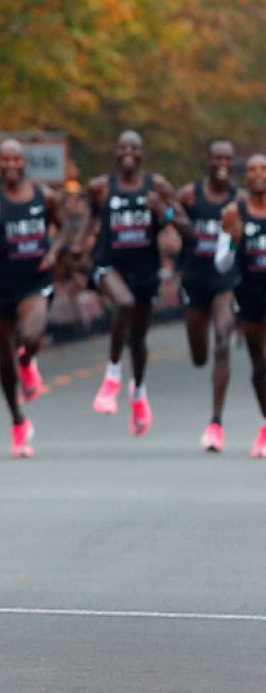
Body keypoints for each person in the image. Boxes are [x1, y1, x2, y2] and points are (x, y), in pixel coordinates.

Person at [0, 140, 66, 457]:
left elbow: (64, 230)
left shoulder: (44, 196)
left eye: (15, 159)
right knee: (3, 359)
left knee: (32, 334)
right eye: (4, 159)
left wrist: (52, 251)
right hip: (1, 285)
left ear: (24, 163)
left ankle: (28, 361)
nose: (10, 164)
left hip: (35, 280)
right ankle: (18, 423)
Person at [78, 131, 184, 435]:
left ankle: (138, 393)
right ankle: (112, 376)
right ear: (115, 151)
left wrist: (161, 211)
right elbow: (90, 217)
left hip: (144, 269)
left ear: (142, 153)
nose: (128, 152)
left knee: (138, 340)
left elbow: (179, 220)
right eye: (122, 146)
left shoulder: (157, 185)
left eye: (134, 148)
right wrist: (81, 242)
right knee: (123, 302)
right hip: (109, 264)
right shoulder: (100, 186)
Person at [176, 139, 238, 452]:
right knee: (200, 357)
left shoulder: (239, 200)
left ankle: (216, 423)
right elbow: (169, 223)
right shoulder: (190, 194)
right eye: (217, 157)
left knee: (223, 342)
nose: (223, 163)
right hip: (194, 279)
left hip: (226, 280)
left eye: (228, 157)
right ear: (209, 161)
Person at [213, 153, 266, 458]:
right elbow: (221, 265)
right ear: (245, 178)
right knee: (260, 365)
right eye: (252, 169)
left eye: (263, 169)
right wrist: (232, 241)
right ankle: (264, 422)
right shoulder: (234, 212)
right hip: (249, 293)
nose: (258, 174)